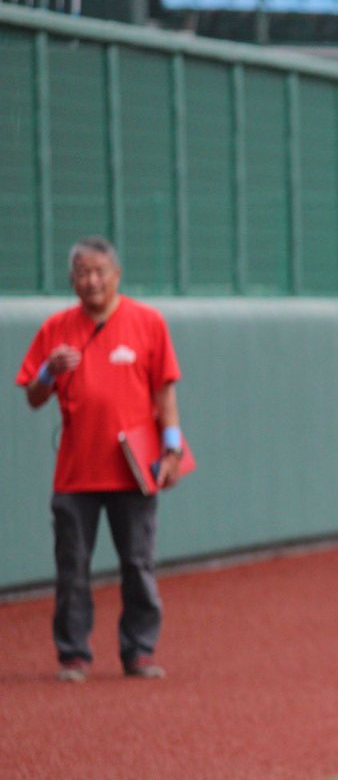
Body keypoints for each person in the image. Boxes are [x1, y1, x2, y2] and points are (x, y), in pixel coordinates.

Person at [15, 236, 187, 682]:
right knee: (72, 567)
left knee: (138, 563)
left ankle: (139, 650)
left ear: (116, 275)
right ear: (72, 280)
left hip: (134, 471)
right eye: (82, 274)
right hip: (75, 474)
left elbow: (164, 391)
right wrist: (49, 370)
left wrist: (172, 449)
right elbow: (34, 397)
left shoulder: (147, 322)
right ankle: (73, 653)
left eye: (99, 272)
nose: (91, 281)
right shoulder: (55, 328)